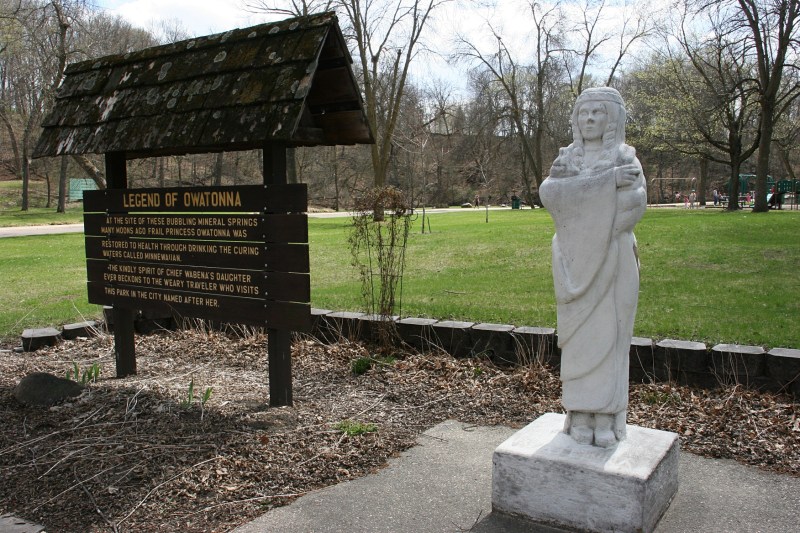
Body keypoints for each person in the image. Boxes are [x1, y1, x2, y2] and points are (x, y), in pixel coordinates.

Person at [540, 87, 646, 448]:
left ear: (612, 118)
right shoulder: (566, 161)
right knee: (580, 342)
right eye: (583, 112)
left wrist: (592, 203)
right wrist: (604, 185)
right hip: (571, 262)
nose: (588, 119)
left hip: (613, 261)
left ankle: (607, 415)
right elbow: (551, 195)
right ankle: (579, 413)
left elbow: (631, 207)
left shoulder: (625, 159)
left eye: (597, 113)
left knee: (610, 337)